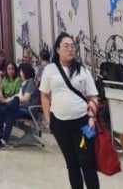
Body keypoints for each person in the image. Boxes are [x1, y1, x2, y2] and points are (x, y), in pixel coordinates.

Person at [40, 33, 99, 189]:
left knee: (87, 162)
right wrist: (49, 120)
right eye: (66, 45)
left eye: (73, 46)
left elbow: (93, 97)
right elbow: (45, 95)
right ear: (58, 49)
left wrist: (91, 117)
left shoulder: (82, 70)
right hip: (59, 124)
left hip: (83, 123)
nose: (70, 49)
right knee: (71, 163)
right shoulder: (50, 70)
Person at [0, 63, 39, 147]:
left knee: (8, 112)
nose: (19, 73)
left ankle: (3, 138)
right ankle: (1, 136)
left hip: (28, 111)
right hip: (22, 109)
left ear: (25, 72)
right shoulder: (24, 83)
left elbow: (25, 98)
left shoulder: (30, 82)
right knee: (7, 111)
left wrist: (14, 100)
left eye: (20, 71)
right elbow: (18, 96)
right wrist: (9, 99)